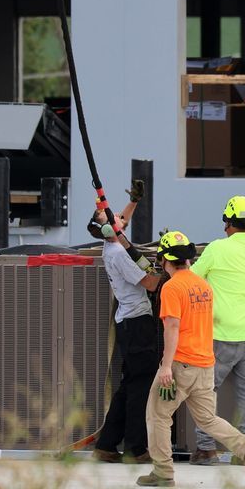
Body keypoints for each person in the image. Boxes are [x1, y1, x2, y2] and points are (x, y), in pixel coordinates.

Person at [137, 231, 245, 487]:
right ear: (188, 259)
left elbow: (172, 327)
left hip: (181, 365)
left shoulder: (172, 288)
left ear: (165, 260)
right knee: (207, 419)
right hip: (206, 364)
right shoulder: (203, 285)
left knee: (158, 416)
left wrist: (165, 367)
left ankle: (163, 472)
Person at [189, 195, 245, 465]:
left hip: (222, 335)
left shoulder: (216, 249)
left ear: (228, 223)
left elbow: (191, 277)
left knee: (205, 391)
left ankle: (205, 449)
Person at [88, 180, 162, 464]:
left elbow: (121, 221)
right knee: (140, 388)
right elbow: (151, 283)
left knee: (129, 384)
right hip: (137, 324)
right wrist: (174, 270)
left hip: (130, 322)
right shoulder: (119, 253)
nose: (120, 217)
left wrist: (135, 202)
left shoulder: (116, 243)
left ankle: (106, 444)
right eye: (114, 218)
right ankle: (135, 448)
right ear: (107, 229)